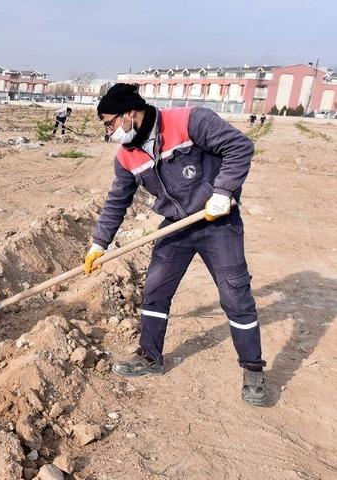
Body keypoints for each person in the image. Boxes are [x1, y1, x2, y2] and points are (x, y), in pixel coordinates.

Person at [86, 83, 266, 406]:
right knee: (155, 288)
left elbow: (240, 147)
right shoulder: (126, 157)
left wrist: (223, 192)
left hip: (217, 221)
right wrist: (99, 243)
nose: (109, 131)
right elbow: (117, 200)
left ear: (130, 113)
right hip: (176, 226)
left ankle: (253, 369)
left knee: (234, 293)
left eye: (110, 123)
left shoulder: (190, 121)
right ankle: (150, 356)